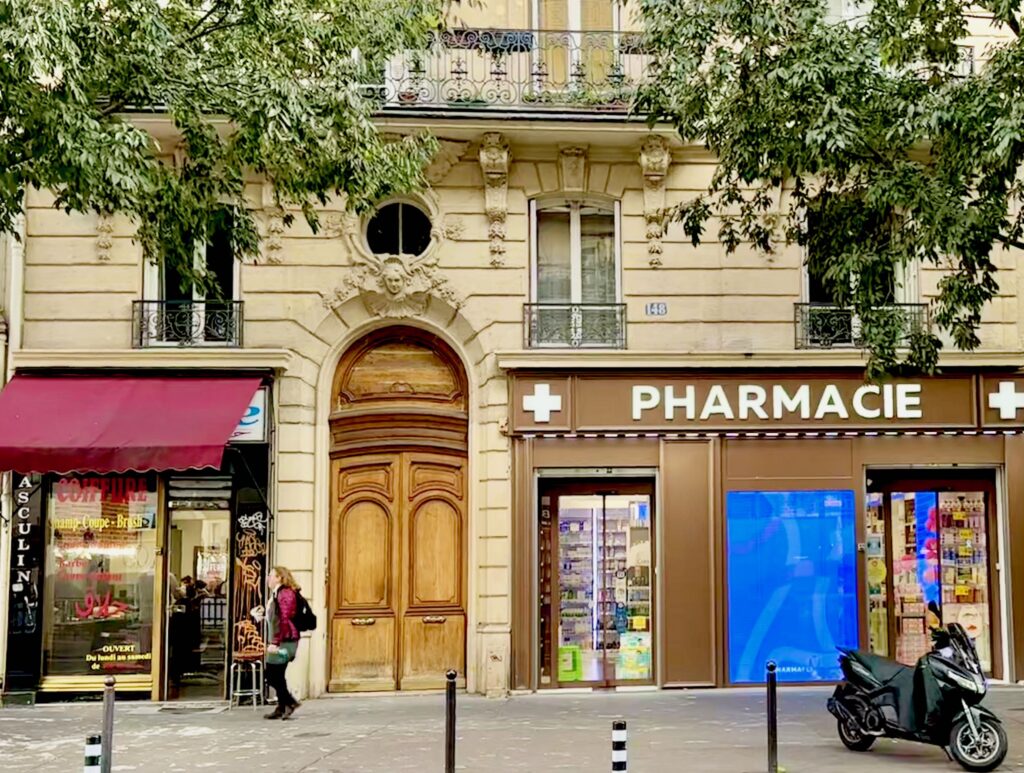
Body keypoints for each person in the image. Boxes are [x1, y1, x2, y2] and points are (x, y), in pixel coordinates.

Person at [264, 566, 301, 720]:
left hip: (285, 641)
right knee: (277, 675)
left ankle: (289, 702)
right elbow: (276, 617)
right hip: (281, 639)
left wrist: (275, 642)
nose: (268, 578)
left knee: (272, 674)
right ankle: (282, 706)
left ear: (279, 577)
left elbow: (284, 620)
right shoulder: (276, 594)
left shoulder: (285, 593)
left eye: (271, 575)